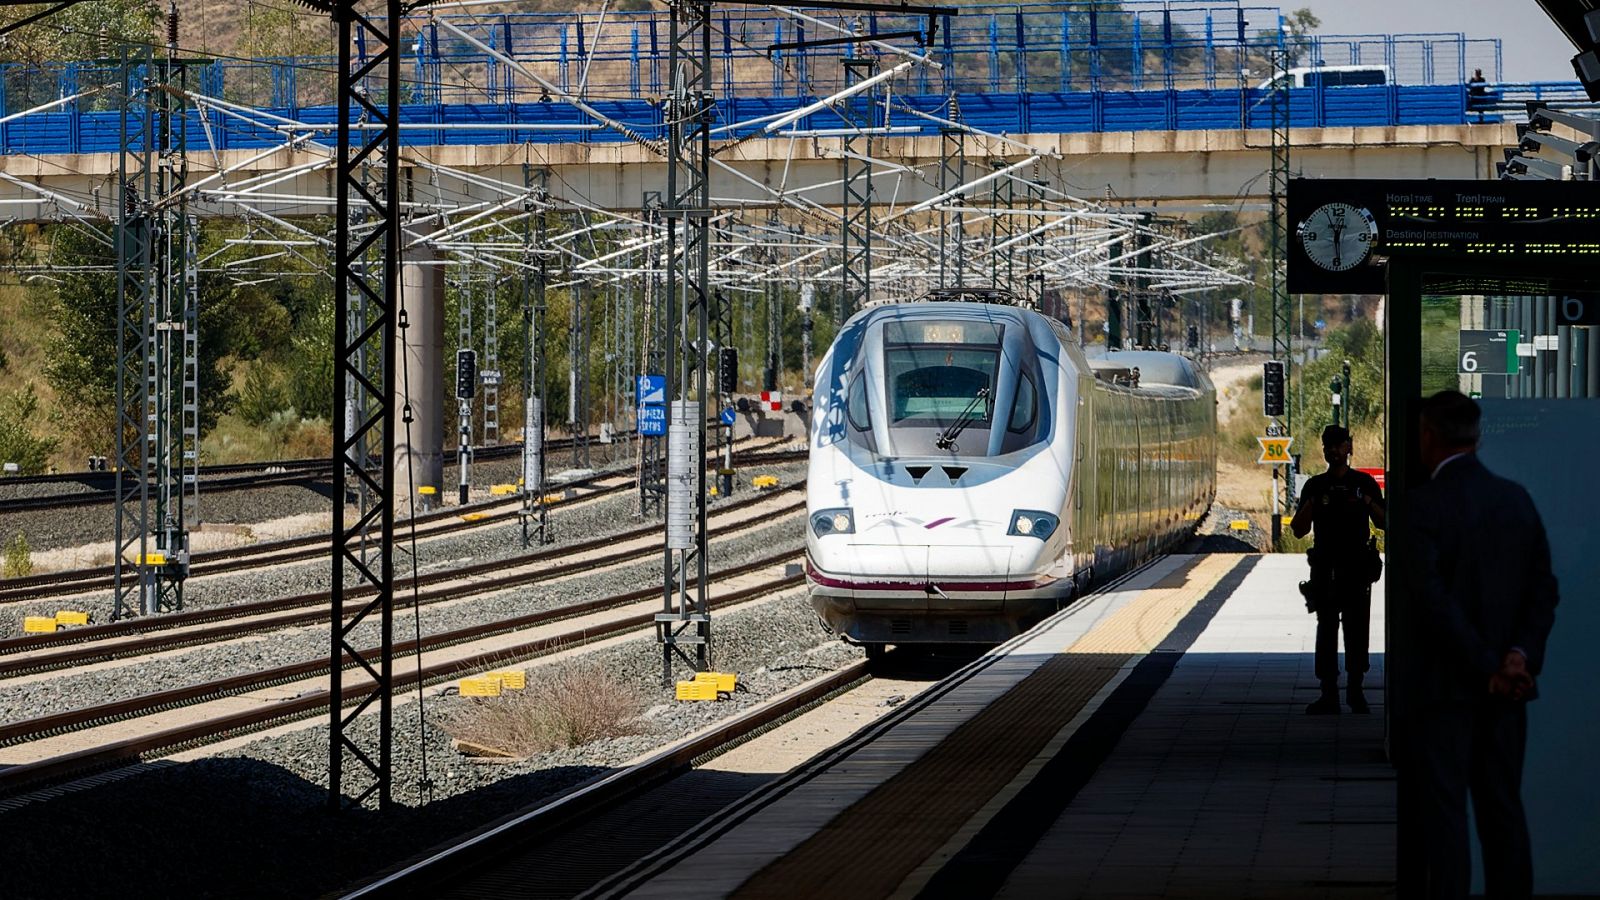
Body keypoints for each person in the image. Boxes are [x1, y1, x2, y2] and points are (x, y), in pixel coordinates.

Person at [1407, 390, 1558, 900]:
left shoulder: (1423, 506)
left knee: (1447, 820)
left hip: (1445, 694)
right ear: (1478, 437)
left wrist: (1486, 664)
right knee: (1503, 814)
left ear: (1428, 437)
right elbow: (1544, 591)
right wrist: (1518, 656)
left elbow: (1432, 600)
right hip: (1506, 697)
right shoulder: (1515, 500)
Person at [1291, 423, 1385, 714]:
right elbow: (1298, 529)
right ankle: (1329, 692)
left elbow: (1384, 521)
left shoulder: (1364, 483)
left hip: (1357, 567)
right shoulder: (1316, 485)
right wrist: (1312, 504)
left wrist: (1367, 501)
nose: (1334, 450)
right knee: (1327, 630)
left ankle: (1356, 690)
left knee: (1357, 631)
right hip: (1326, 568)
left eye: (1339, 444)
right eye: (1328, 445)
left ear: (1349, 446)